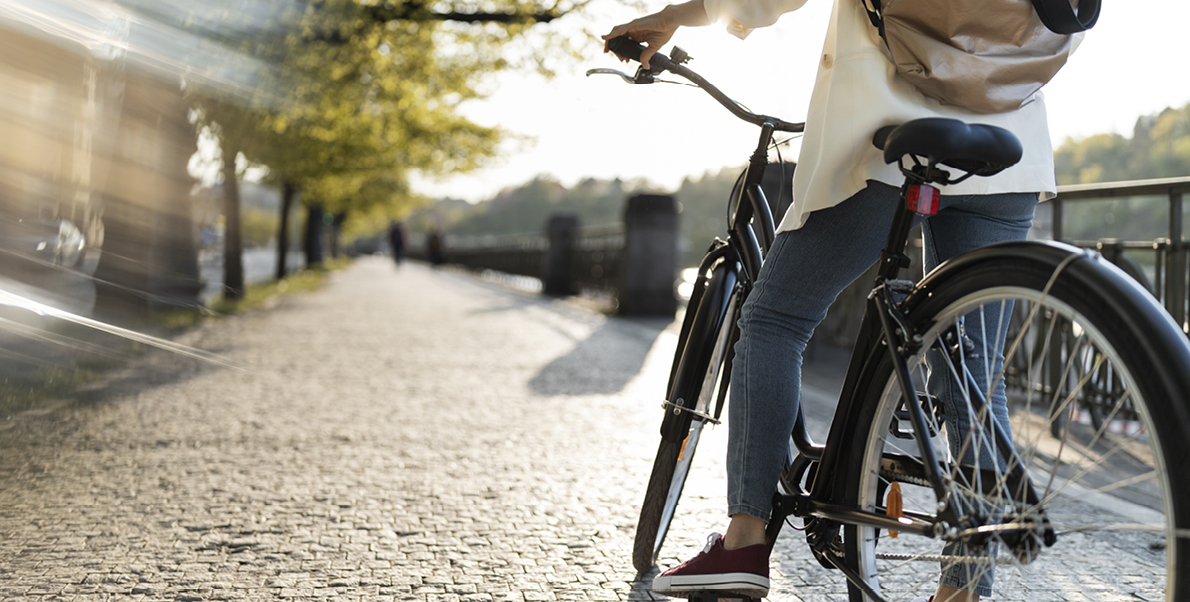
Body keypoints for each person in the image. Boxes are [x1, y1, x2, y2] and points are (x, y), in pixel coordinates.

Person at [604, 1, 1065, 600]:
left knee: (774, 319)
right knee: (974, 367)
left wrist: (673, 17)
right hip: (1009, 143)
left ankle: (745, 539)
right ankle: (965, 585)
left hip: (883, 139)